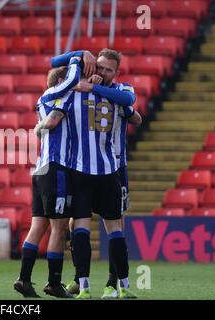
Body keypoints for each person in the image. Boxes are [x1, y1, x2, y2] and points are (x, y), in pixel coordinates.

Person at [43, 48, 139, 299]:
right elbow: (133, 111)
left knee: (113, 227)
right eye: (100, 66)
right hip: (95, 170)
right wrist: (80, 53)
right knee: (85, 228)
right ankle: (85, 285)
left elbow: (132, 110)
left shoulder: (90, 92)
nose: (102, 72)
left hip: (110, 168)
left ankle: (115, 285)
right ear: (93, 65)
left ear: (116, 72)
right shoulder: (119, 94)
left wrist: (88, 86)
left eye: (108, 69)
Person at [13, 50, 95, 298]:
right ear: (62, 80)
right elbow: (51, 122)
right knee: (59, 228)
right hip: (56, 167)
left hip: (42, 168)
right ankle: (53, 282)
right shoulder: (59, 96)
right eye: (72, 79)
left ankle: (24, 279)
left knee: (38, 226)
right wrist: (77, 59)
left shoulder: (44, 97)